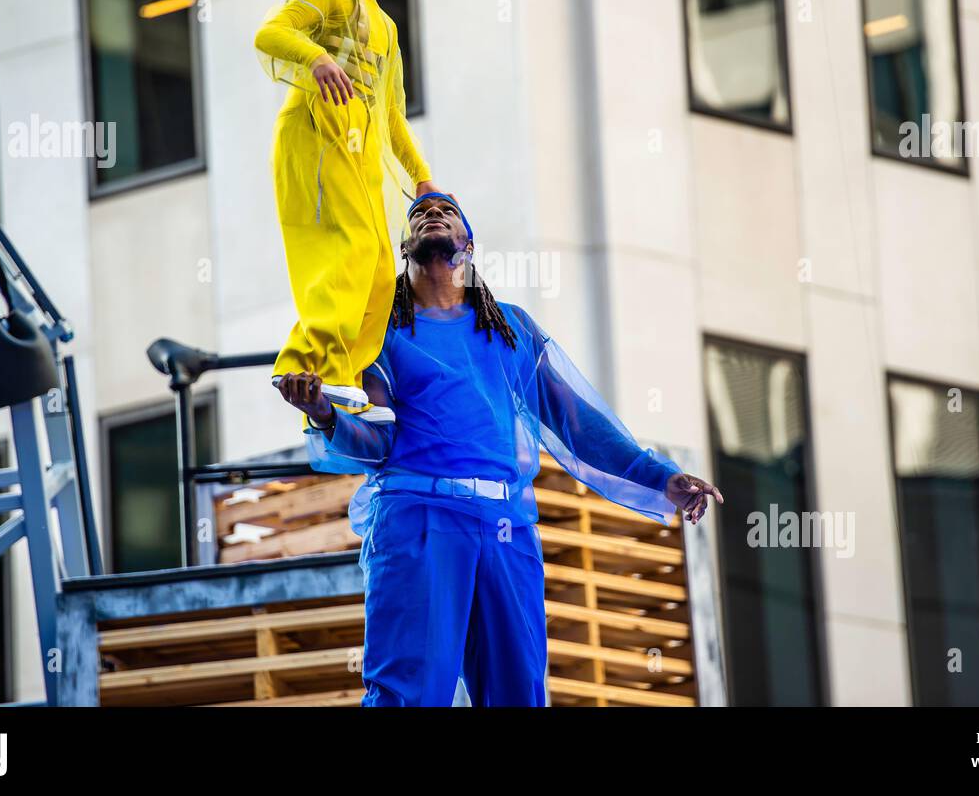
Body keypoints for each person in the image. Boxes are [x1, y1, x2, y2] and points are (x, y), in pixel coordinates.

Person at [277, 193, 723, 706]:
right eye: (419, 214)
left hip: (505, 527)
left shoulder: (510, 329)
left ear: (469, 245)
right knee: (407, 691)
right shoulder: (381, 333)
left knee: (521, 691)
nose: (431, 213)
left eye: (446, 211)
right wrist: (325, 413)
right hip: (418, 519)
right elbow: (376, 439)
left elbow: (578, 424)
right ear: (403, 247)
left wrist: (659, 477)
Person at [255, 0, 446, 414]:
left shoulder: (385, 25)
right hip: (318, 134)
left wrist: (422, 178)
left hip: (359, 146)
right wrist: (317, 60)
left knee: (382, 268)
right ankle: (307, 362)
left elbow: (391, 117)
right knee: (352, 251)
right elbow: (271, 33)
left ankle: (342, 376)